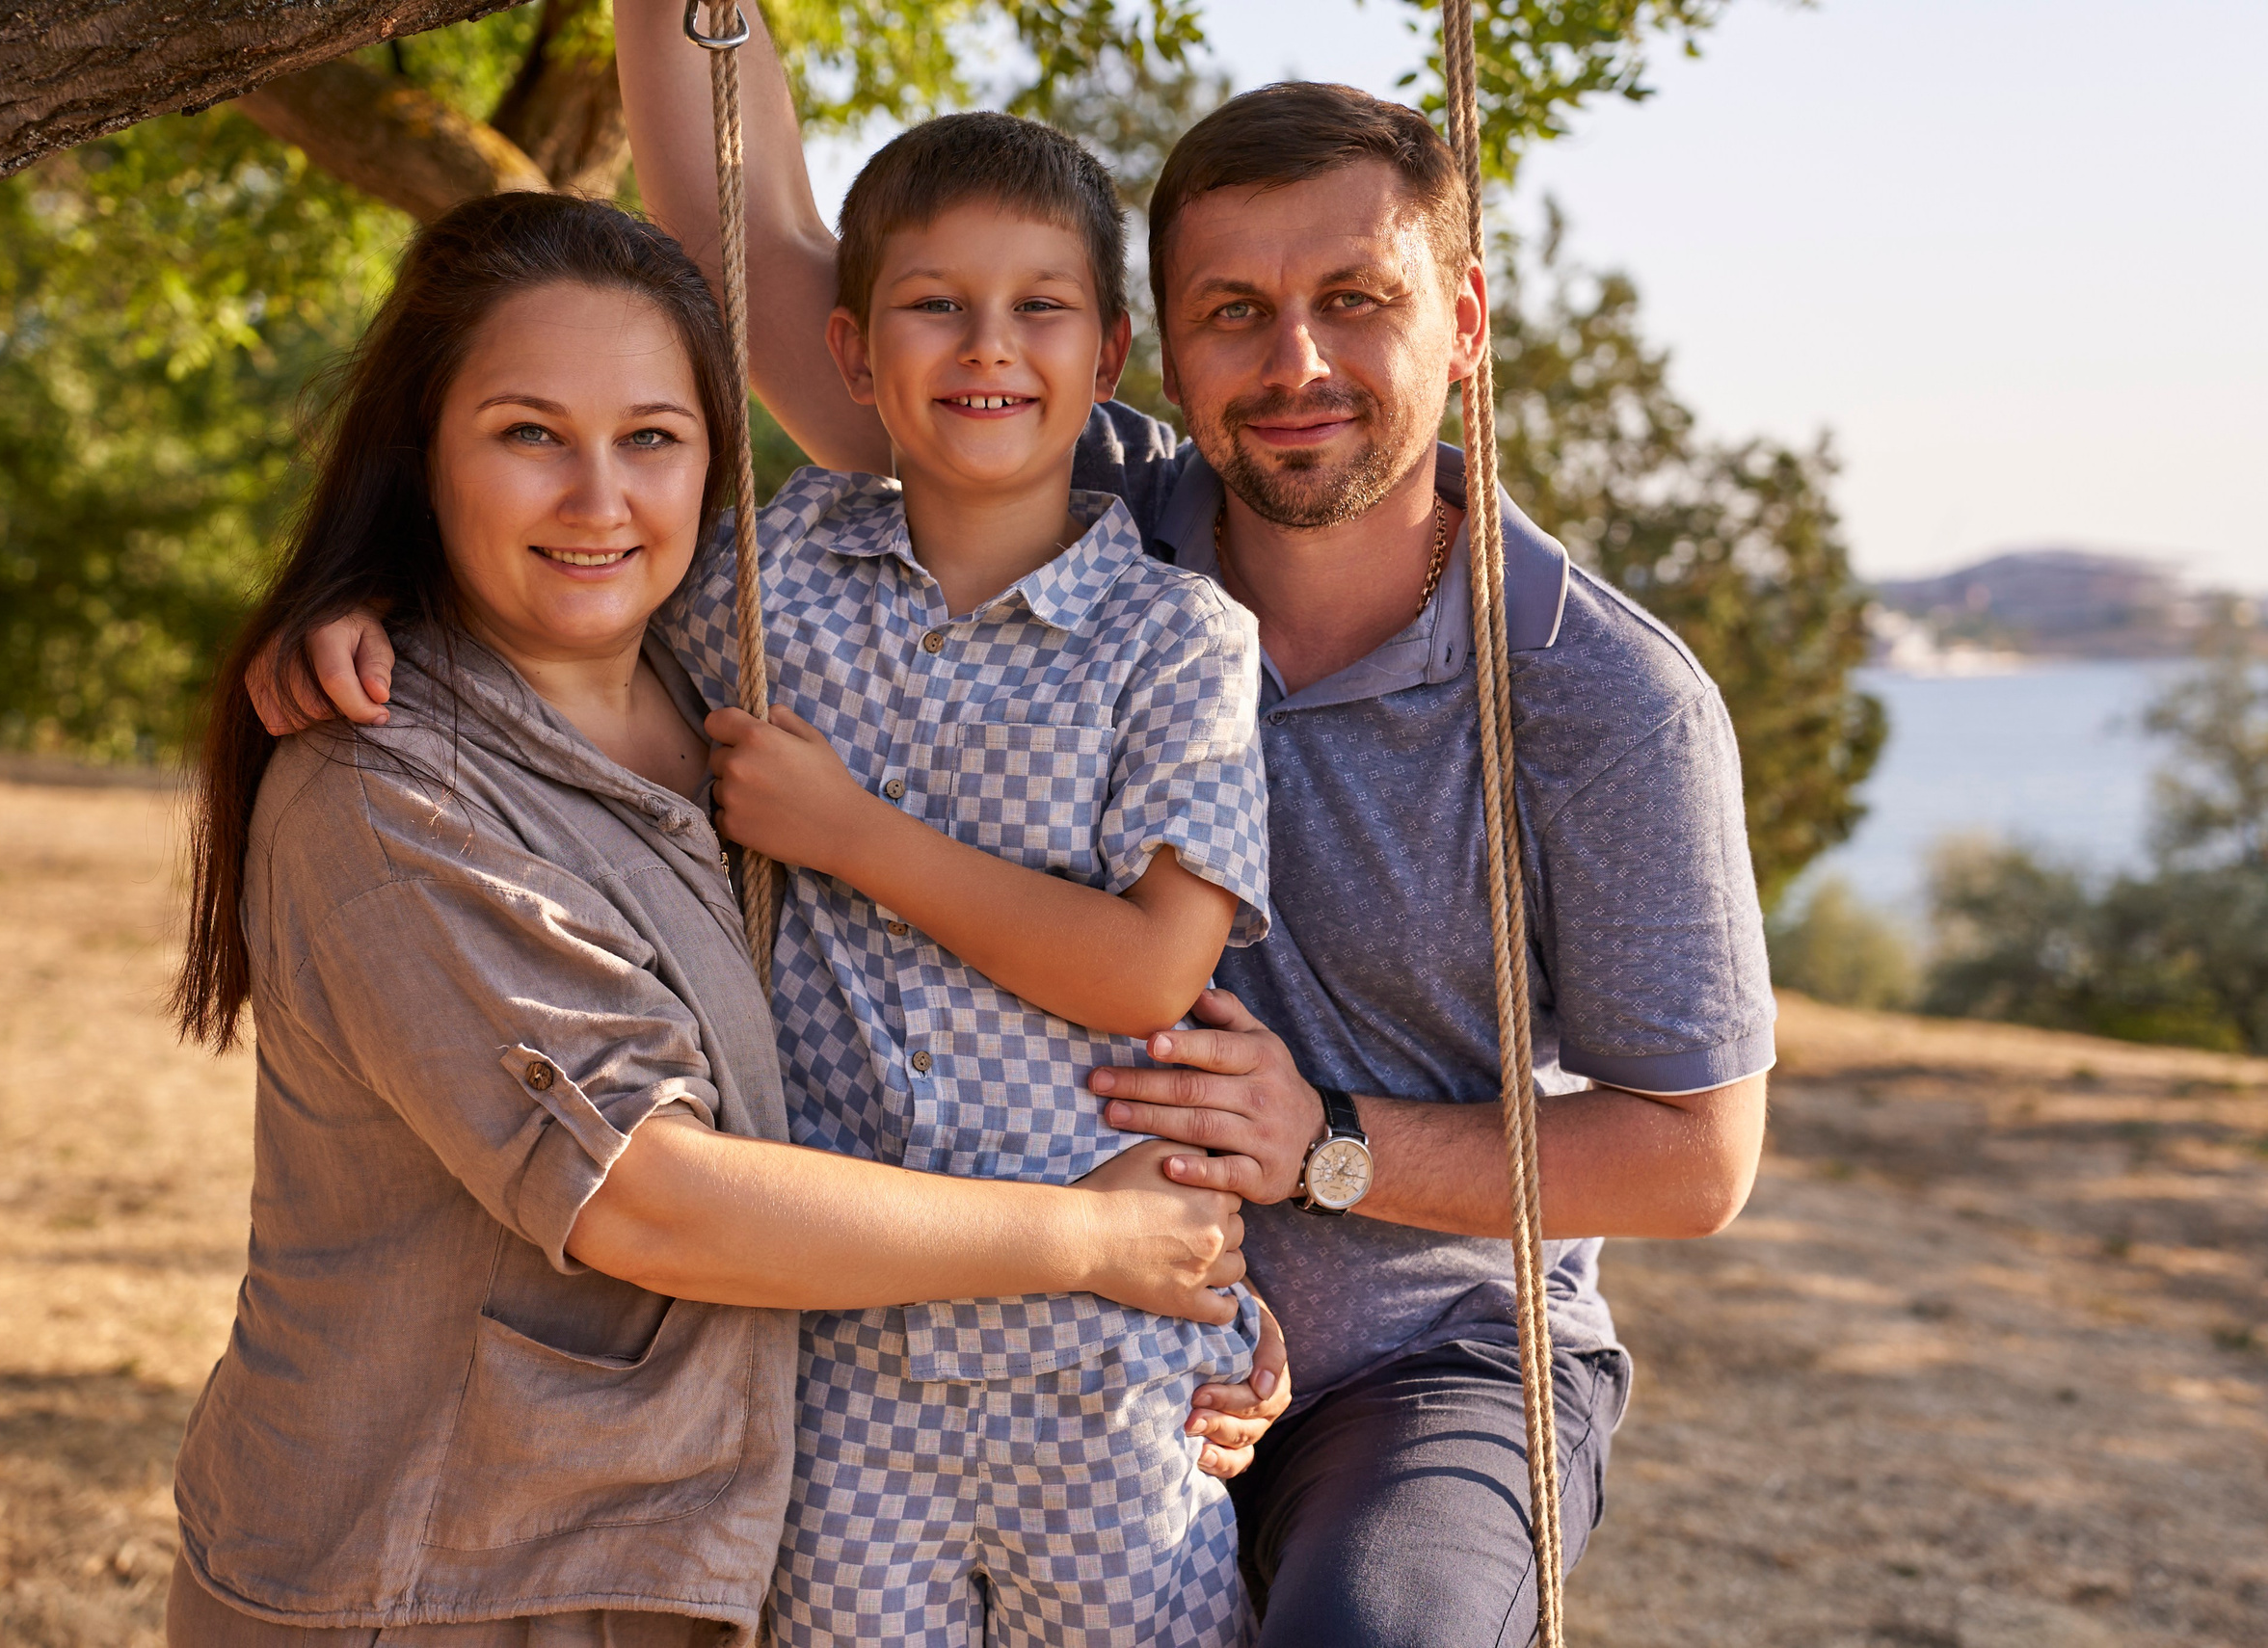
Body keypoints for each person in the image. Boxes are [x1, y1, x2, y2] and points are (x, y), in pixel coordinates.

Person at [276, 29, 1775, 1648]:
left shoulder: (1602, 697)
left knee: (1380, 1632)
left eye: (1356, 298)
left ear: (1463, 320)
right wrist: (394, 595)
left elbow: (1697, 1153)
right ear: (1164, 357)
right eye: (1234, 313)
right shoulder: (1087, 506)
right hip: (980, 1312)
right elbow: (754, 275)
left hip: (1411, 1355)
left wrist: (1330, 1142)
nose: (1295, 364)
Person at [174, 190, 1281, 1648]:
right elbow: (648, 1193)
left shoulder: (717, 692)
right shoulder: (388, 784)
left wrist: (1182, 1294)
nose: (598, 500)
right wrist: (1092, 1241)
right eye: (526, 435)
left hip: (665, 1552)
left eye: (651, 438)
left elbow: (969, 1001)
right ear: (423, 454)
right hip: (432, 1576)